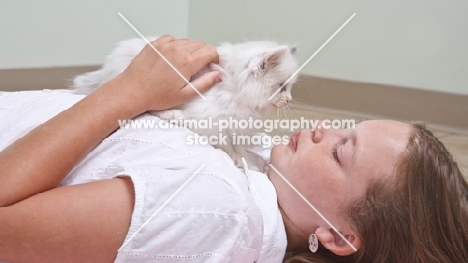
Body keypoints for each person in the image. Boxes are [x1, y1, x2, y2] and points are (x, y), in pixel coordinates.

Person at [0, 35, 466, 263]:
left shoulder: (216, 208)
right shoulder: (262, 161)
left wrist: (126, 93)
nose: (323, 128)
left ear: (337, 236)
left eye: (341, 153)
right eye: (347, 128)